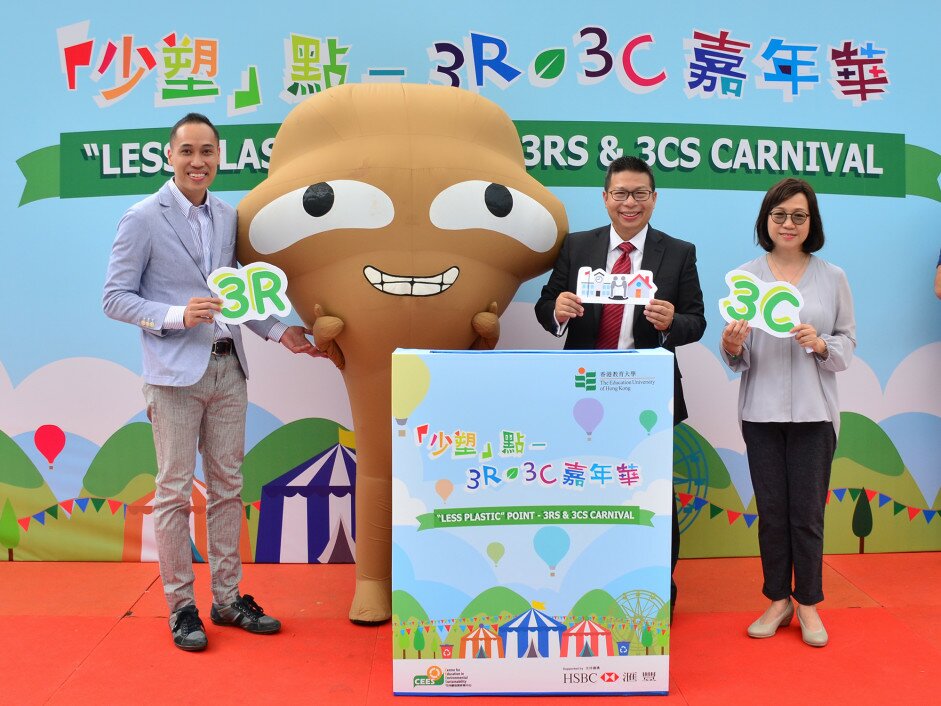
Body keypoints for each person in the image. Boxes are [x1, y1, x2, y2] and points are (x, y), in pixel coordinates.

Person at [103, 113, 320, 652]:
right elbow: (114, 298)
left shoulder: (228, 216)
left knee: (227, 489)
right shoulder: (141, 218)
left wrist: (280, 333)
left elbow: (241, 297)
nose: (198, 162)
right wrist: (178, 314)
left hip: (230, 369)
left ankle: (228, 599)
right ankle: (181, 608)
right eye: (187, 152)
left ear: (219, 158)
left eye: (207, 152)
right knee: (174, 492)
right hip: (174, 376)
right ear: (169, 156)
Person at [535, 155, 706, 616]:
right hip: (584, 392)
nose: (630, 203)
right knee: (587, 488)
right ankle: (586, 583)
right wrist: (559, 310)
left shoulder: (679, 251)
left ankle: (657, 587)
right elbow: (546, 303)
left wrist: (673, 322)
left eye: (640, 194)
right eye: (620, 194)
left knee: (651, 494)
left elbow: (697, 320)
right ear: (605, 198)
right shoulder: (577, 247)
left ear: (654, 199)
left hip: (647, 393)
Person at [720, 177, 856, 648]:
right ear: (766, 220)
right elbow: (736, 359)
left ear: (811, 222)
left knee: (807, 515)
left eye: (799, 216)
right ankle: (777, 599)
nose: (789, 224)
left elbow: (847, 343)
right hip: (761, 412)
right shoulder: (746, 277)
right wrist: (731, 345)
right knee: (773, 512)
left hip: (816, 416)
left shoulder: (833, 276)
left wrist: (821, 344)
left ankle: (809, 603)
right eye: (780, 215)